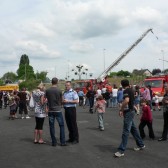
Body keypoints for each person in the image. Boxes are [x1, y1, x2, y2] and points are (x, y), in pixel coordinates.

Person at [114, 79, 145, 158]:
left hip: (128, 112)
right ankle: (141, 144)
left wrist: (121, 109)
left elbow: (126, 100)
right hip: (131, 111)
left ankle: (121, 150)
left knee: (126, 131)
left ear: (122, 84)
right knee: (133, 129)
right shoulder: (132, 90)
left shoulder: (126, 91)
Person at [45, 77, 66, 146]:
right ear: (57, 82)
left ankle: (54, 142)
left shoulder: (47, 90)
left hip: (50, 110)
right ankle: (62, 142)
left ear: (51, 82)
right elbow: (62, 100)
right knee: (61, 125)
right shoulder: (59, 90)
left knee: (52, 126)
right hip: (58, 110)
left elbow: (45, 99)